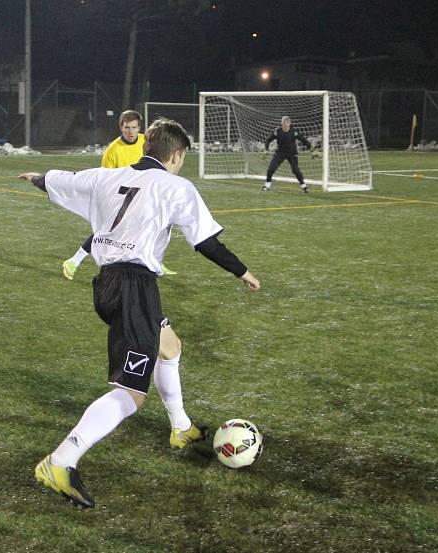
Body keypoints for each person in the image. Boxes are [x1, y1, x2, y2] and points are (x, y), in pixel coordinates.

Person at [18, 118, 261, 508]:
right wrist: (243, 272)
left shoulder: (106, 176)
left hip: (110, 283)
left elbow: (62, 179)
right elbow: (206, 242)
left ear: (147, 146)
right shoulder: (175, 186)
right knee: (131, 393)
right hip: (134, 288)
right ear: (177, 154)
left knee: (169, 346)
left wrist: (37, 178)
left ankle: (180, 427)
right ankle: (61, 461)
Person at [61, 110, 176, 279]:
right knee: (108, 231)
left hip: (145, 193)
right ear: (121, 127)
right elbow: (106, 179)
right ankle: (74, 261)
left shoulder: (147, 142)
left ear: (139, 127)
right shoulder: (113, 150)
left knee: (161, 224)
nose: (131, 131)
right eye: (127, 127)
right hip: (122, 196)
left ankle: (154, 260)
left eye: (134, 127)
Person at [262, 115, 316, 192]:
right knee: (271, 169)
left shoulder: (294, 132)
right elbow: (268, 140)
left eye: (287, 123)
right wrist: (266, 149)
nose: (285, 125)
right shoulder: (277, 131)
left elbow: (304, 140)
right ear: (281, 123)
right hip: (280, 152)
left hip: (292, 153)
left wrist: (311, 150)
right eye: (284, 123)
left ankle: (304, 186)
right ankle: (267, 185)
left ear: (289, 124)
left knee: (295, 170)